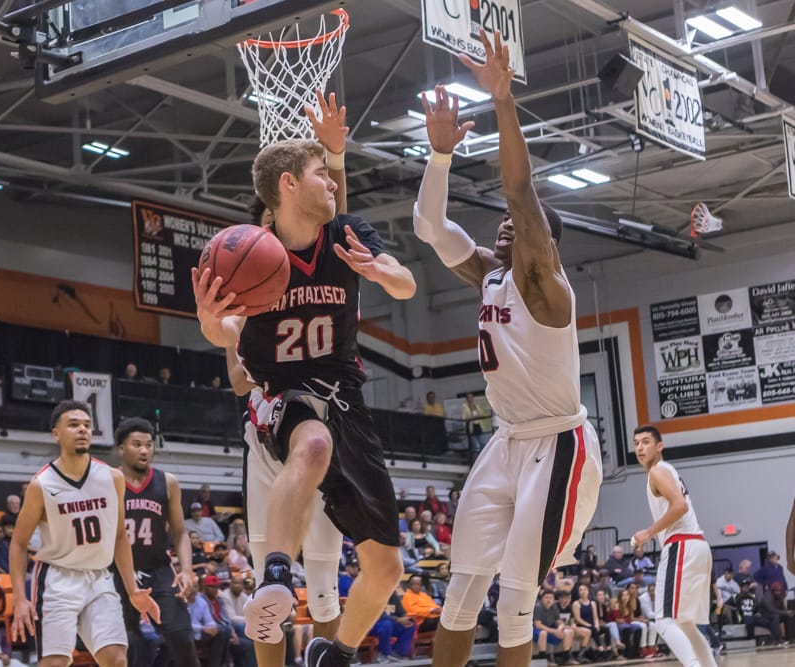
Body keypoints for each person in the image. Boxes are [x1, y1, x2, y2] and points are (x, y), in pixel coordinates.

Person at [195, 93, 414, 667]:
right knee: (311, 440)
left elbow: (407, 284)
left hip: (345, 394)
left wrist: (382, 271)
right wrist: (210, 322)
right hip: (277, 395)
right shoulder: (253, 254)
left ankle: (335, 653)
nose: (334, 184)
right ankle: (273, 576)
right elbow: (231, 333)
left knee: (387, 567)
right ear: (289, 184)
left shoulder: (347, 233)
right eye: (323, 174)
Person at [414, 32, 602, 667]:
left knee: (517, 601)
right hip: (506, 441)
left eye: (523, 226)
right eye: (507, 219)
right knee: (462, 593)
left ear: (545, 244)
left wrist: (502, 103)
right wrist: (439, 158)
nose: (509, 220)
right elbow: (431, 229)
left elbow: (522, 197)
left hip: (559, 445)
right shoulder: (490, 275)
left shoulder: (548, 288)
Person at [9, 400, 159, 667]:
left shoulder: (112, 477)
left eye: (87, 425)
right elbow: (19, 544)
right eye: (74, 425)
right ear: (56, 433)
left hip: (99, 577)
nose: (82, 430)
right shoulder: (41, 484)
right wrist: (20, 599)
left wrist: (132, 589)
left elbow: (120, 537)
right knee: (55, 662)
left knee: (116, 658)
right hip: (57, 579)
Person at [114, 417, 200, 667]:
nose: (144, 450)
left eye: (149, 445)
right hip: (119, 572)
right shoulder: (109, 481)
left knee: (182, 635)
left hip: (159, 570)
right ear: (121, 448)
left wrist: (186, 570)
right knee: (127, 643)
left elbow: (180, 532)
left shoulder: (168, 482)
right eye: (137, 444)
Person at [631, 425, 716, 666]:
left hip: (682, 546)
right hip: (697, 546)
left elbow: (680, 505)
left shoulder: (658, 470)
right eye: (636, 442)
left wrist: (648, 532)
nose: (639, 447)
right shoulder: (665, 471)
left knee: (664, 621)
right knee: (685, 624)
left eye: (646, 442)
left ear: (659, 446)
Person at [532, 591, 576, 666]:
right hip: (536, 631)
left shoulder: (554, 607)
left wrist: (559, 629)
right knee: (543, 633)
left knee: (568, 632)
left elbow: (560, 622)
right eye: (546, 597)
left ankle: (566, 658)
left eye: (551, 598)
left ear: (554, 599)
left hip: (550, 631)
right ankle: (543, 660)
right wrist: (555, 631)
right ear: (542, 599)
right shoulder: (538, 607)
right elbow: (538, 625)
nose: (549, 600)